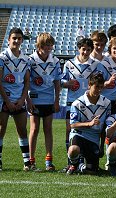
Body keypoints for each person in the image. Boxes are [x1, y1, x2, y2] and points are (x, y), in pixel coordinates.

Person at [61, 38, 99, 171]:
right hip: (72, 102)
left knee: (85, 130)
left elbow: (97, 82)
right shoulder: (69, 63)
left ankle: (81, 160)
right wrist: (67, 84)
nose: (86, 52)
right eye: (83, 49)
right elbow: (61, 81)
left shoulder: (95, 64)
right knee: (69, 130)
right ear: (79, 49)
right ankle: (71, 161)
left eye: (89, 50)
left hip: (88, 103)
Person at [26, 33, 62, 171]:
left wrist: (56, 100)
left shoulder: (55, 61)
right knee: (34, 129)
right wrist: (28, 100)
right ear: (39, 45)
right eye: (47, 45)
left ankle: (49, 161)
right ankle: (31, 160)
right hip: (34, 98)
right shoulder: (30, 60)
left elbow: (57, 82)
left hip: (48, 99)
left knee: (48, 129)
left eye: (50, 45)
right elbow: (26, 81)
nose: (49, 48)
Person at [66, 72, 111, 175]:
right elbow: (72, 125)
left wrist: (101, 145)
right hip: (79, 134)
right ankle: (74, 164)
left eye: (101, 87)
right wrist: (89, 124)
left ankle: (81, 167)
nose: (99, 90)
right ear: (89, 85)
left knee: (92, 171)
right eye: (96, 87)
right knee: (73, 149)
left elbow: (104, 126)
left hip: (94, 138)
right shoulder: (77, 103)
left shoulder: (107, 103)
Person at [0, 27, 31, 171]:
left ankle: (27, 162)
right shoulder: (2, 58)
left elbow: (26, 82)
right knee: (1, 130)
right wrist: (7, 101)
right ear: (9, 40)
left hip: (19, 100)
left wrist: (22, 99)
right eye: (14, 38)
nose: (17, 41)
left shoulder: (26, 59)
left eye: (19, 38)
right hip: (4, 99)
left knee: (22, 131)